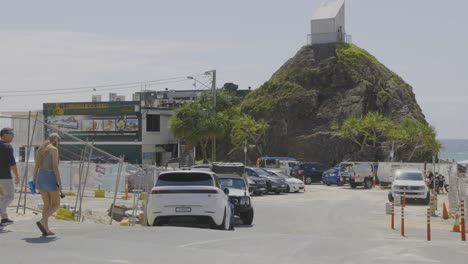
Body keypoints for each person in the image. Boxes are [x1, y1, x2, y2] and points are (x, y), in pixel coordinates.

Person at [33, 133, 62, 236]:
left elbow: (36, 166)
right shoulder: (54, 149)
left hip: (40, 177)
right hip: (50, 177)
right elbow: (55, 166)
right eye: (59, 141)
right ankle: (42, 221)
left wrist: (34, 179)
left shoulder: (40, 149)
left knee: (47, 204)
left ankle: (46, 229)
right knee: (56, 204)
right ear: (56, 140)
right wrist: (59, 181)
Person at [0, 128, 20, 226]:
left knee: (3, 198)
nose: (13, 135)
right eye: (11, 133)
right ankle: (2, 212)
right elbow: (12, 163)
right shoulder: (7, 146)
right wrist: (17, 176)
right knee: (10, 196)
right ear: (4, 134)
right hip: (5, 177)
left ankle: (4, 218)